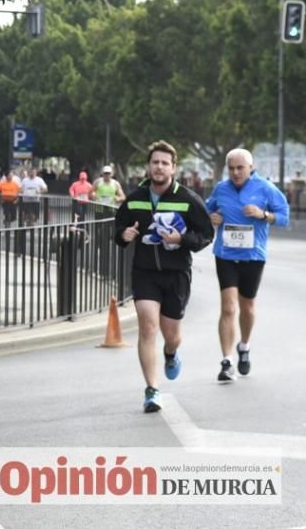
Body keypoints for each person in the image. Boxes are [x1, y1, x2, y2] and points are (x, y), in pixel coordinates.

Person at [114, 141, 213, 413]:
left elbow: (206, 234)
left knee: (172, 335)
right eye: (155, 162)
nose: (159, 167)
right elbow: (119, 227)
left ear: (173, 168)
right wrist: (124, 235)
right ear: (149, 165)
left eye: (164, 163)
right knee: (147, 327)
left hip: (176, 274)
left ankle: (170, 354)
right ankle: (152, 390)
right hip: (144, 272)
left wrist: (182, 239)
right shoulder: (135, 197)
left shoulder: (188, 199)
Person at [205, 148, 289, 381]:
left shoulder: (266, 188)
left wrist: (263, 215)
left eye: (240, 168)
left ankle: (244, 346)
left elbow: (284, 216)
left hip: (253, 255)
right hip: (226, 255)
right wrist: (212, 217)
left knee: (247, 306)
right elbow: (206, 208)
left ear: (250, 168)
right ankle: (226, 361)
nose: (235, 172)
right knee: (228, 307)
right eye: (231, 168)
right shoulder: (221, 189)